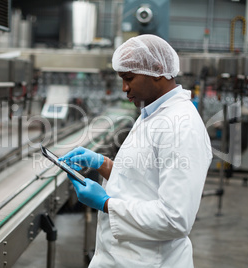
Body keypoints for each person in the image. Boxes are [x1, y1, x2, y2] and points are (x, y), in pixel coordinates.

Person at [59, 34, 213, 268]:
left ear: (158, 70)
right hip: (124, 256)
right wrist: (101, 163)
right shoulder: (152, 114)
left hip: (149, 261)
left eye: (129, 78)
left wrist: (106, 204)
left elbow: (175, 219)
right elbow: (142, 181)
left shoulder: (181, 127)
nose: (124, 88)